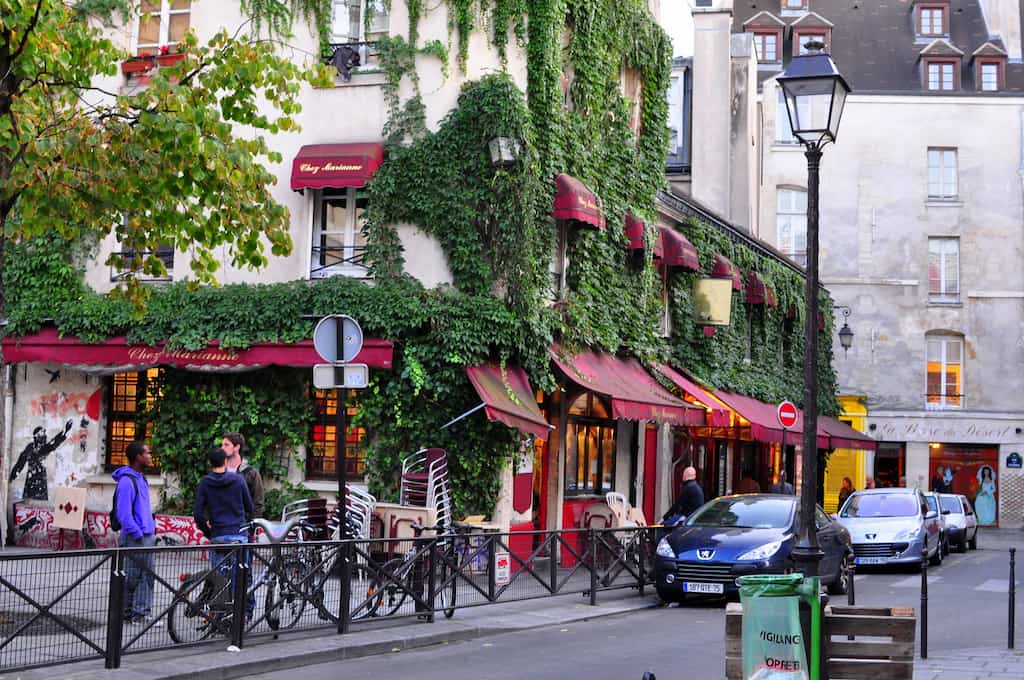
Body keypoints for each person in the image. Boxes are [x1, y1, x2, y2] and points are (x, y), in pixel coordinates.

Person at [113, 441, 157, 624]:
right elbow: (123, 513)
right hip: (136, 537)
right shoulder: (127, 481)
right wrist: (137, 533)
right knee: (131, 577)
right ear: (138, 457)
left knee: (146, 575)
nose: (150, 456)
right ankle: (130, 614)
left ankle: (140, 613)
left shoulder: (140, 478)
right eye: (147, 453)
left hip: (145, 535)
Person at [194, 447, 253, 569]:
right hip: (239, 532)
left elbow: (198, 513)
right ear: (225, 461)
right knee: (240, 577)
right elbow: (249, 507)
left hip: (218, 534)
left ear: (210, 463)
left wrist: (208, 532)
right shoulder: (238, 480)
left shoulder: (205, 483)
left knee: (219, 579)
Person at [9, 420, 73, 500]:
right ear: (36, 435)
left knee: (40, 502)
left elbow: (54, 443)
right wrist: (12, 476)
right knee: (29, 502)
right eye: (42, 433)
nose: (45, 435)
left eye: (44, 433)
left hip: (40, 481)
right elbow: (20, 462)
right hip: (31, 481)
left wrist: (64, 432)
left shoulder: (43, 448)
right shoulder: (30, 447)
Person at [222, 432, 264, 521]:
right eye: (222, 445)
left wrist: (251, 527)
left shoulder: (251, 473)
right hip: (219, 526)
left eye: (226, 445)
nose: (222, 448)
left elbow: (258, 503)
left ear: (237, 447)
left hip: (242, 527)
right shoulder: (219, 471)